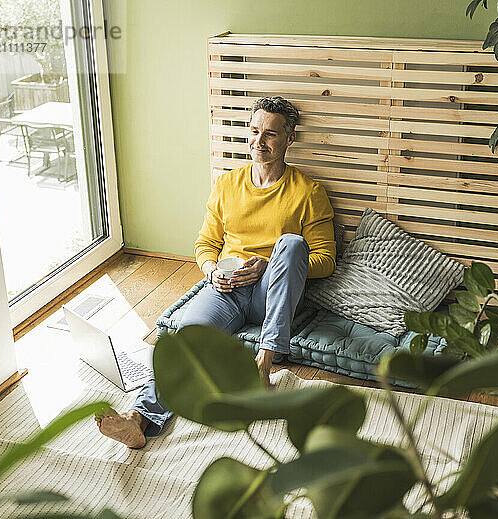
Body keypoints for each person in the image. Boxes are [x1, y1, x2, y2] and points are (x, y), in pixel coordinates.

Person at [96, 96, 336, 448]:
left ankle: (265, 360)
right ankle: (139, 417)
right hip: (226, 289)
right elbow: (205, 244)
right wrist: (211, 272)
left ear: (289, 139)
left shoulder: (308, 191)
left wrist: (269, 264)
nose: (260, 142)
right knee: (185, 344)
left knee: (292, 243)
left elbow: (325, 260)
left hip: (273, 291)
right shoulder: (227, 185)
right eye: (254, 131)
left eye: (270, 134)